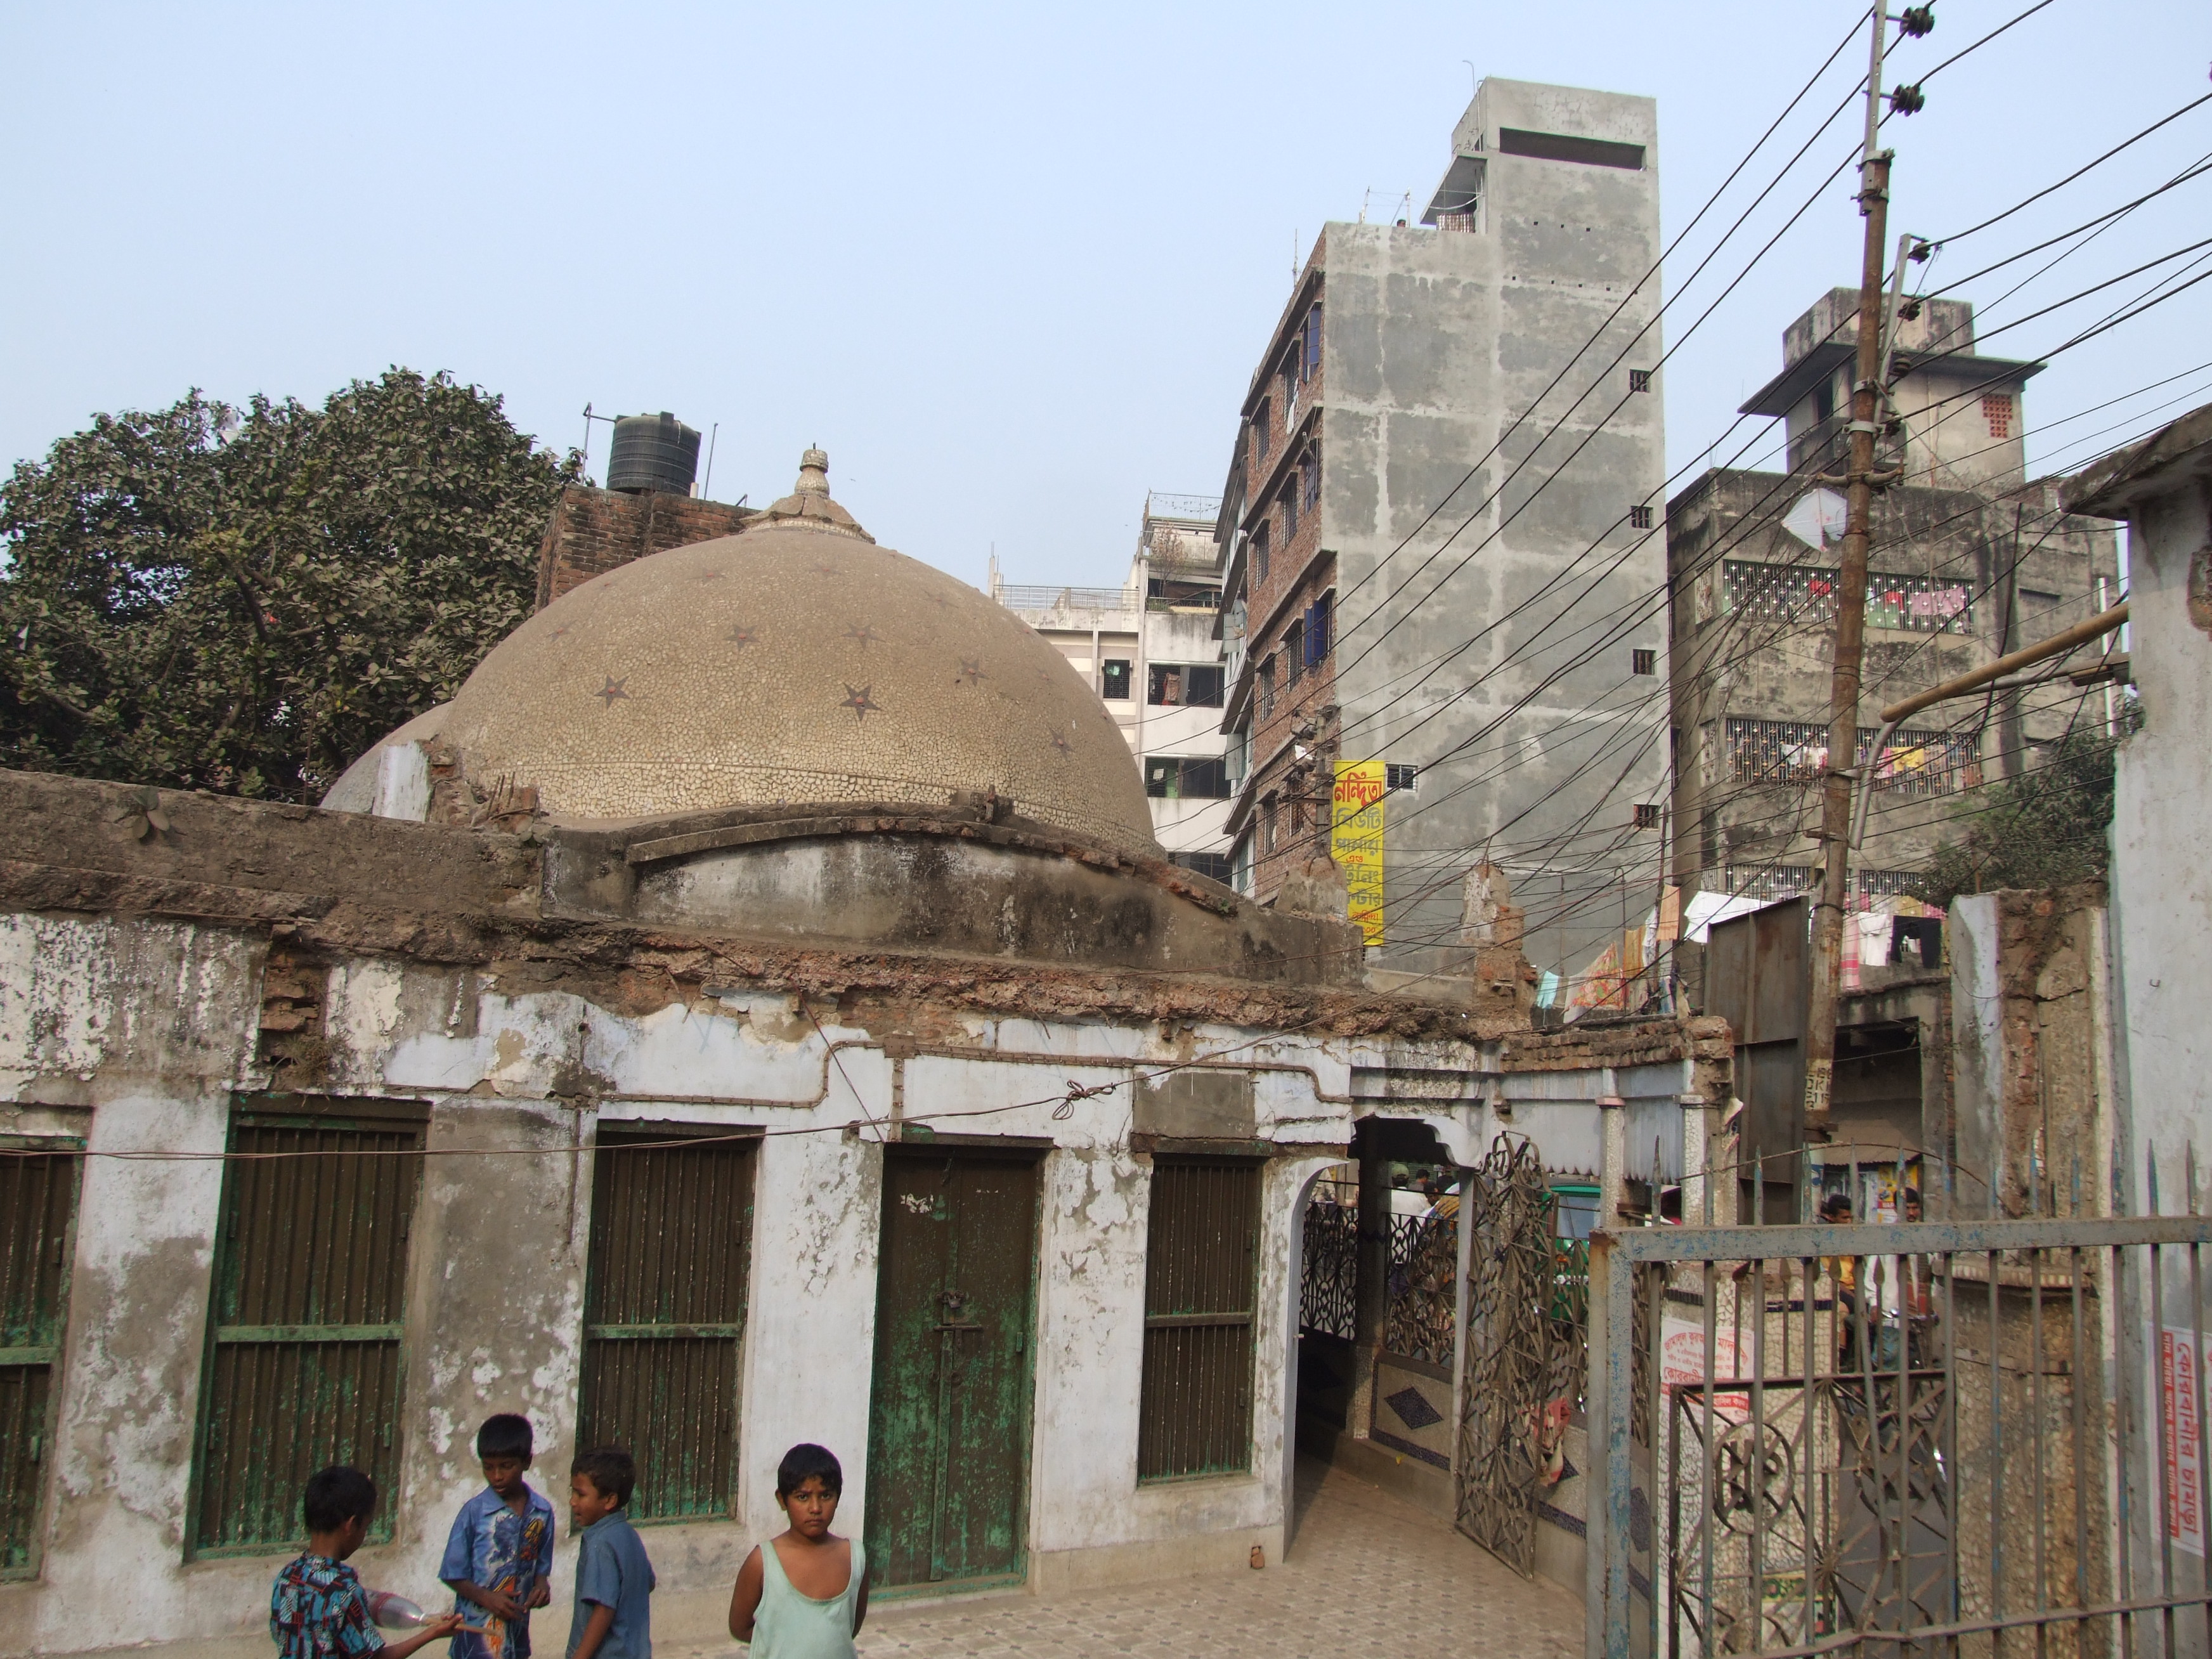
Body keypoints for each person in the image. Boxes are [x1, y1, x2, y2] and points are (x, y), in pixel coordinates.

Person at [271, 1466, 462, 1659]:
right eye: (366, 1526)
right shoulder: (345, 1592)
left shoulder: (287, 1577)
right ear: (351, 1524)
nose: (364, 1534)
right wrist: (432, 1634)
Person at [727, 1444, 868, 1659]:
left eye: (826, 1496)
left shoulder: (854, 1558)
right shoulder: (763, 1562)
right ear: (782, 1500)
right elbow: (740, 1626)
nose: (815, 1508)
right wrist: (786, 1640)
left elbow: (849, 1627)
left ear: (838, 1498)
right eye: (803, 1497)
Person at [441, 1413, 557, 1659]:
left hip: (517, 1637)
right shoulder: (474, 1513)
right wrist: (487, 1598)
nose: (497, 1476)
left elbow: (542, 1569)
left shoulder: (543, 1512)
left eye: (506, 1466)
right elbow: (452, 1573)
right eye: (488, 1467)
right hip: (476, 1639)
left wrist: (541, 1586)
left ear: (526, 1462)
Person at [567, 1447, 654, 1659]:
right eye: (572, 1492)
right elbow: (649, 1582)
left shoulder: (600, 1543)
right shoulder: (628, 1534)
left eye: (581, 1494)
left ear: (609, 1501)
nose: (573, 1501)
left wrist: (580, 1656)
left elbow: (604, 1607)